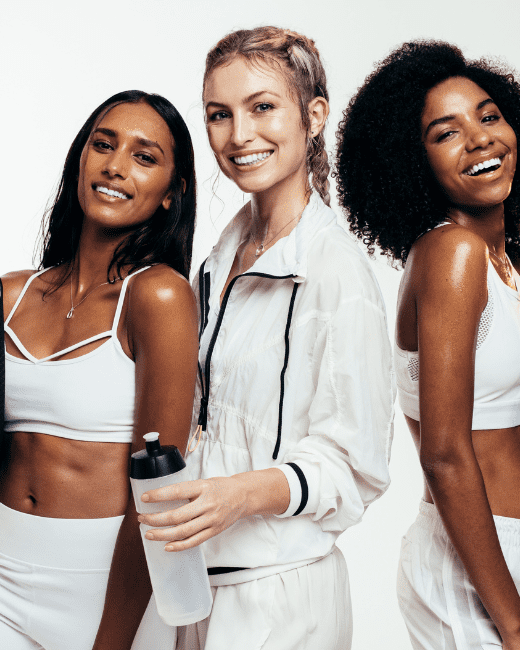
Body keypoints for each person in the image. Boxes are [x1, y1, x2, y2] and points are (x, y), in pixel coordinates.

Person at [137, 26, 394, 650]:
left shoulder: (335, 269)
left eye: (262, 107)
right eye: (219, 115)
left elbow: (356, 463)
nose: (239, 135)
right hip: (191, 585)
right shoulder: (218, 257)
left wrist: (240, 495)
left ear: (313, 117)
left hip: (281, 597)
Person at [335, 40, 520, 650]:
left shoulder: (508, 263)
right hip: (473, 567)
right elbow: (444, 454)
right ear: (411, 163)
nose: (480, 140)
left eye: (489, 116)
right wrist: (516, 629)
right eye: (445, 133)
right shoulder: (450, 255)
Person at [0, 90, 197, 650]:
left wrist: (111, 644)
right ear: (80, 160)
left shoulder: (158, 296)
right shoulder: (7, 294)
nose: (115, 166)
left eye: (145, 157)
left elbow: (159, 492)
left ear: (171, 193)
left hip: (102, 593)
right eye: (103, 145)